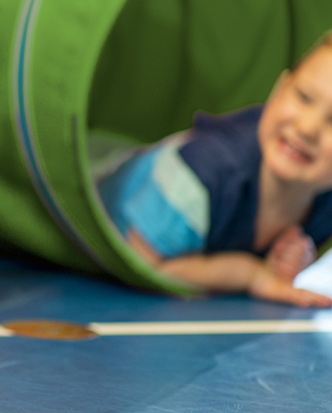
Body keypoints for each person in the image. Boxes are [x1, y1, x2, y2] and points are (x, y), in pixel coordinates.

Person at [96, 35, 332, 308]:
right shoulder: (201, 174)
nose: (307, 127)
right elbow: (144, 262)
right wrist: (249, 273)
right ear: (279, 89)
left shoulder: (324, 197)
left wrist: (290, 261)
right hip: (98, 177)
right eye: (303, 97)